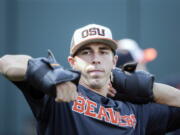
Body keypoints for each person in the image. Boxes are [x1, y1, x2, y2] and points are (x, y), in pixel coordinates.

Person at [0, 24, 180, 135]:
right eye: (86, 52)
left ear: (114, 61)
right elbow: (6, 63)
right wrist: (47, 74)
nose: (95, 58)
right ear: (72, 62)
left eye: (103, 51)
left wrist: (142, 86)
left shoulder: (135, 111)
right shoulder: (61, 95)